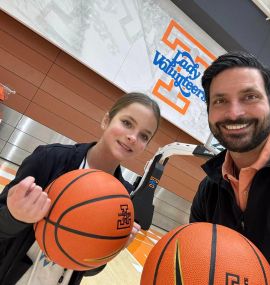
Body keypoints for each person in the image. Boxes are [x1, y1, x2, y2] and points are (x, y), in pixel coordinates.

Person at [0, 92, 161, 285]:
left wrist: (110, 249)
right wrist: (14, 217)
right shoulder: (50, 159)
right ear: (106, 120)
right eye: (127, 123)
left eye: (144, 136)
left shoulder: (124, 198)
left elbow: (88, 268)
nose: (133, 137)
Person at [189, 51, 270, 284]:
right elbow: (196, 263)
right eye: (220, 101)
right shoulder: (209, 189)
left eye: (249, 97)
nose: (234, 113)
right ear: (209, 112)